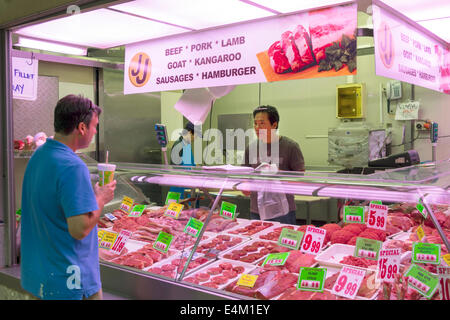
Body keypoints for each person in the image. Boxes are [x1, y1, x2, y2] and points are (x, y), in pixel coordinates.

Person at [20, 94, 116, 300]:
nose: (95, 131)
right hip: (70, 280)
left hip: (42, 276)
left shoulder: (40, 154)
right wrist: (101, 197)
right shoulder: (73, 166)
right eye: (94, 126)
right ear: (81, 127)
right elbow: (79, 229)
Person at [243, 105, 305, 225]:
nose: (257, 128)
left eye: (261, 123)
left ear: (274, 125)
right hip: (257, 210)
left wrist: (278, 174)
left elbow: (300, 177)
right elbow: (244, 175)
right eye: (255, 124)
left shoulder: (290, 146)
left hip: (282, 211)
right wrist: (245, 186)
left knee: (282, 243)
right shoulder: (250, 148)